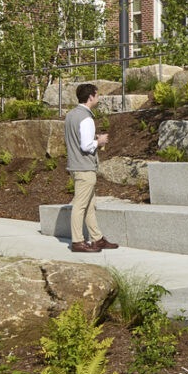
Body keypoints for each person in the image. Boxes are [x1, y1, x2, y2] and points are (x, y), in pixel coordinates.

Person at [64, 83, 117, 253]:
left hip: (75, 165)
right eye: (97, 95)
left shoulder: (71, 115)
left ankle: (97, 238)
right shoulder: (86, 118)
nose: (98, 98)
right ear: (90, 97)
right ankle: (77, 242)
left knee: (89, 205)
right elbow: (86, 146)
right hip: (85, 168)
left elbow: (76, 138)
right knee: (80, 205)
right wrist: (99, 141)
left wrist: (93, 138)